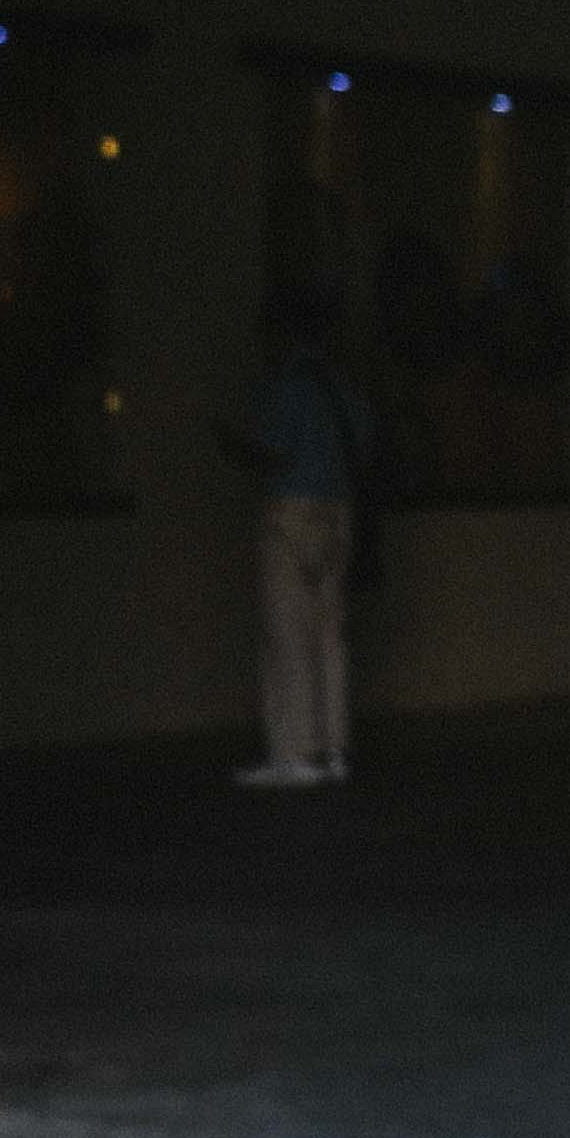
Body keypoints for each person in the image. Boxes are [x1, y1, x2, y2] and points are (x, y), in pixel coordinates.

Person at [218, 297, 372, 788]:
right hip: (339, 511)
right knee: (330, 633)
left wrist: (231, 445)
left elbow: (272, 452)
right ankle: (333, 749)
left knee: (288, 632)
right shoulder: (344, 390)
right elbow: (364, 446)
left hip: (290, 512)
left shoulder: (285, 388)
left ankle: (295, 751)